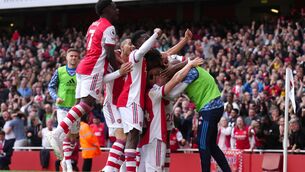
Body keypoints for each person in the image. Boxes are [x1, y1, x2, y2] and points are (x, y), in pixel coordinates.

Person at [47, 0, 131, 167]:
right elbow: (108, 55)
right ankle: (57, 133)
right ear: (107, 9)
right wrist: (121, 69)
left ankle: (67, 160)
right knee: (87, 104)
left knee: (78, 109)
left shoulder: (94, 25)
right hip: (93, 68)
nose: (117, 10)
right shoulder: (109, 27)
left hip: (84, 67)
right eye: (114, 7)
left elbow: (102, 50)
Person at [138, 57, 203, 172]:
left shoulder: (145, 93)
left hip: (146, 140)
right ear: (152, 77)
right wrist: (189, 64)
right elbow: (176, 79)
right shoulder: (155, 92)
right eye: (160, 74)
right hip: (156, 138)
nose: (164, 76)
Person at [162, 65, 231, 172]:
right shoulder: (195, 70)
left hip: (209, 109)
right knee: (211, 145)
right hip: (214, 108)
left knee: (202, 142)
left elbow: (172, 94)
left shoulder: (191, 72)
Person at [116, 28, 162, 172]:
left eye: (148, 37)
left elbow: (166, 54)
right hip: (131, 101)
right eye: (144, 37)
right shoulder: (136, 54)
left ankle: (123, 169)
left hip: (131, 101)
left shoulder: (144, 60)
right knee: (133, 136)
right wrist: (155, 35)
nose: (147, 38)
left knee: (133, 137)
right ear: (137, 43)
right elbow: (142, 50)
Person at [48, 48, 81, 170]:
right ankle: (68, 165)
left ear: (78, 58)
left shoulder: (81, 72)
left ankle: (64, 160)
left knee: (73, 137)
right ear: (67, 57)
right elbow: (51, 87)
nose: (73, 58)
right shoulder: (60, 71)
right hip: (62, 108)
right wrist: (56, 97)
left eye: (76, 56)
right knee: (67, 135)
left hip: (77, 108)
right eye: (71, 56)